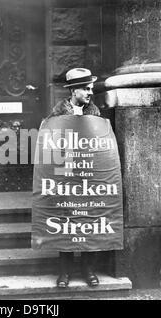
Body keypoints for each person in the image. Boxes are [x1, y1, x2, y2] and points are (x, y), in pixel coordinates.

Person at [46, 67, 101, 289]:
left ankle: (89, 270)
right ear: (74, 91)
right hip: (66, 176)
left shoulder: (95, 112)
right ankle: (65, 272)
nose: (90, 93)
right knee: (66, 222)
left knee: (88, 221)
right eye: (86, 89)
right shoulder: (58, 113)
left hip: (88, 176)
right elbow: (49, 141)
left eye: (91, 89)